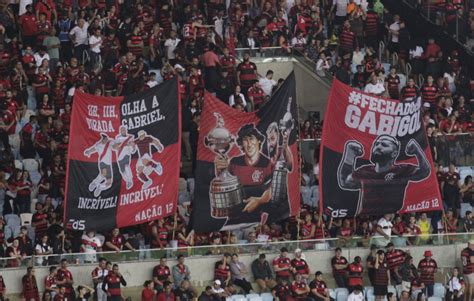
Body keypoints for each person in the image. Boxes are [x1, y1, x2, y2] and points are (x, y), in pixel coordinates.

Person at [339, 135, 430, 216]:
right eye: (376, 144)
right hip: (367, 218)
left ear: (394, 153)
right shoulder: (365, 171)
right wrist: (349, 155)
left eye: (384, 145)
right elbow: (345, 182)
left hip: (393, 218)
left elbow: (425, 172)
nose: (378, 147)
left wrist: (417, 150)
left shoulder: (402, 170)